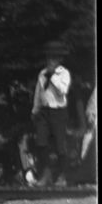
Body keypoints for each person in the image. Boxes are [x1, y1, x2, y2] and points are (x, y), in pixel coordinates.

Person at [30, 40, 73, 187]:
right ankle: (46, 174)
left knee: (60, 145)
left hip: (58, 112)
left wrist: (53, 76)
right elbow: (38, 93)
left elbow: (63, 91)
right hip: (44, 111)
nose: (51, 61)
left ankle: (62, 175)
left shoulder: (63, 73)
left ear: (59, 59)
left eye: (54, 58)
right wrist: (35, 110)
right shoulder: (42, 74)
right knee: (41, 142)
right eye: (49, 57)